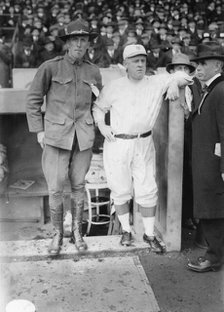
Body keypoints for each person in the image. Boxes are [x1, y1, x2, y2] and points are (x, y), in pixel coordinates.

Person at [93, 44, 193, 252]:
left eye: (143, 61)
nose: (140, 64)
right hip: (117, 142)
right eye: (135, 61)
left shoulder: (156, 82)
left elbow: (186, 76)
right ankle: (126, 231)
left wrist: (174, 82)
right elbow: (98, 108)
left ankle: (149, 235)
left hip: (144, 142)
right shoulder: (115, 86)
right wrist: (102, 125)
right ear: (126, 64)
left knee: (148, 188)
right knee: (120, 189)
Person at [26, 19, 102, 255]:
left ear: (89, 43)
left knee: (78, 185)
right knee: (56, 187)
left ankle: (77, 232)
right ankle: (58, 234)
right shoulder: (50, 67)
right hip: (56, 136)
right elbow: (33, 101)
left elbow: (99, 103)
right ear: (67, 43)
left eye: (84, 40)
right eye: (75, 40)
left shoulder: (93, 71)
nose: (79, 44)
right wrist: (39, 130)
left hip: (83, 137)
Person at [187, 41, 224, 272]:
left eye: (203, 64)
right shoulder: (209, 89)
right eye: (197, 64)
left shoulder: (220, 91)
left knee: (213, 212)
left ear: (218, 65)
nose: (198, 68)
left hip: (213, 165)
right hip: (206, 163)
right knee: (212, 209)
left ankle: (214, 257)